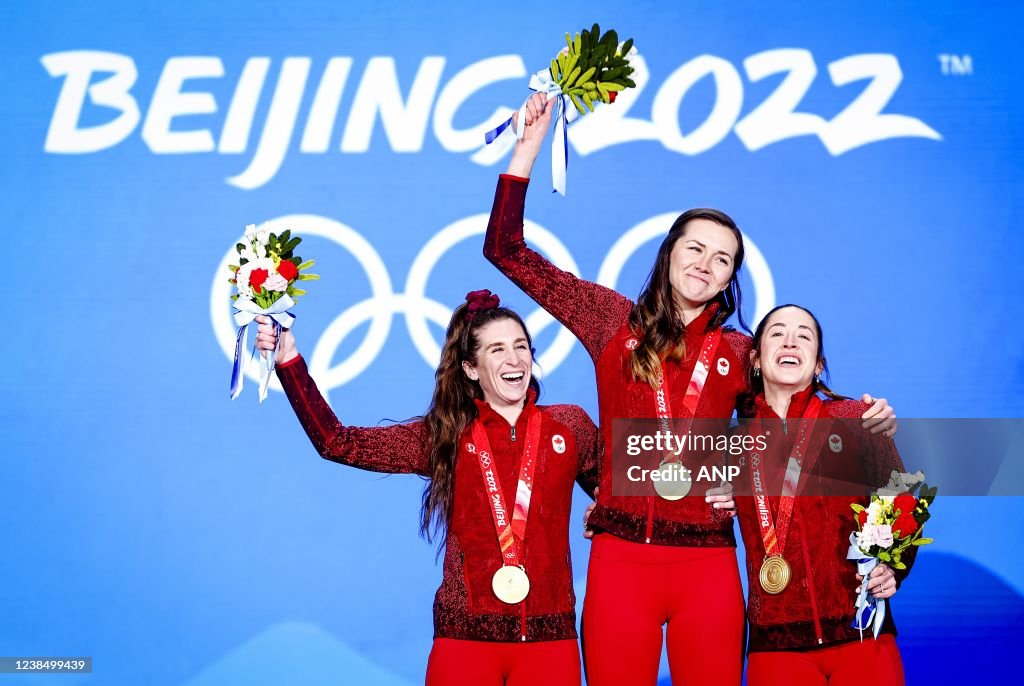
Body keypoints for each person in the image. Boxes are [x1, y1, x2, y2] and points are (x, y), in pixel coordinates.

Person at [482, 92, 897, 686]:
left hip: (709, 565)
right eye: (696, 248)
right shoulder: (609, 322)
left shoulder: (737, 351)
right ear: (670, 252)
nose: (706, 263)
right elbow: (506, 251)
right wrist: (526, 149)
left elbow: (793, 418)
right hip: (621, 562)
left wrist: (864, 415)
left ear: (731, 278)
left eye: (723, 259)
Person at [254, 289, 599, 686]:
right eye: (498, 349)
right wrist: (288, 360)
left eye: (521, 346)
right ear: (471, 368)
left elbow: (623, 489)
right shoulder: (446, 436)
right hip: (465, 641)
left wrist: (604, 511)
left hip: (550, 639)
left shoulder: (569, 426)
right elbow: (338, 443)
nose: (515, 359)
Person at [734, 304, 915, 685]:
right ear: (754, 358)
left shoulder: (856, 420)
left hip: (863, 632)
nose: (791, 341)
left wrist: (893, 566)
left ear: (818, 364)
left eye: (804, 336)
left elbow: (901, 492)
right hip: (777, 648)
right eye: (778, 332)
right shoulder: (731, 442)